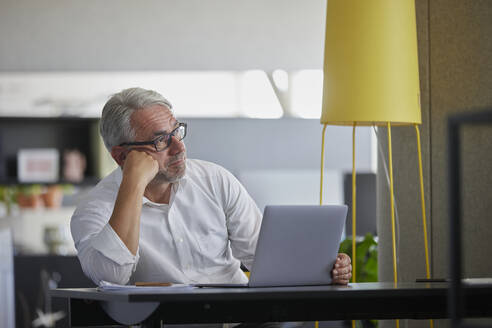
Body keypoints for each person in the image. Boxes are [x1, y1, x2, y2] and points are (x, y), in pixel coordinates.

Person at [71, 87, 352, 289]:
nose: (179, 147)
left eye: (176, 131)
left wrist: (324, 269)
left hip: (239, 319)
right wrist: (132, 184)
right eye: (161, 141)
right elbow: (111, 276)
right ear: (122, 156)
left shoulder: (215, 180)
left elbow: (263, 257)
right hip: (163, 322)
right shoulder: (94, 209)